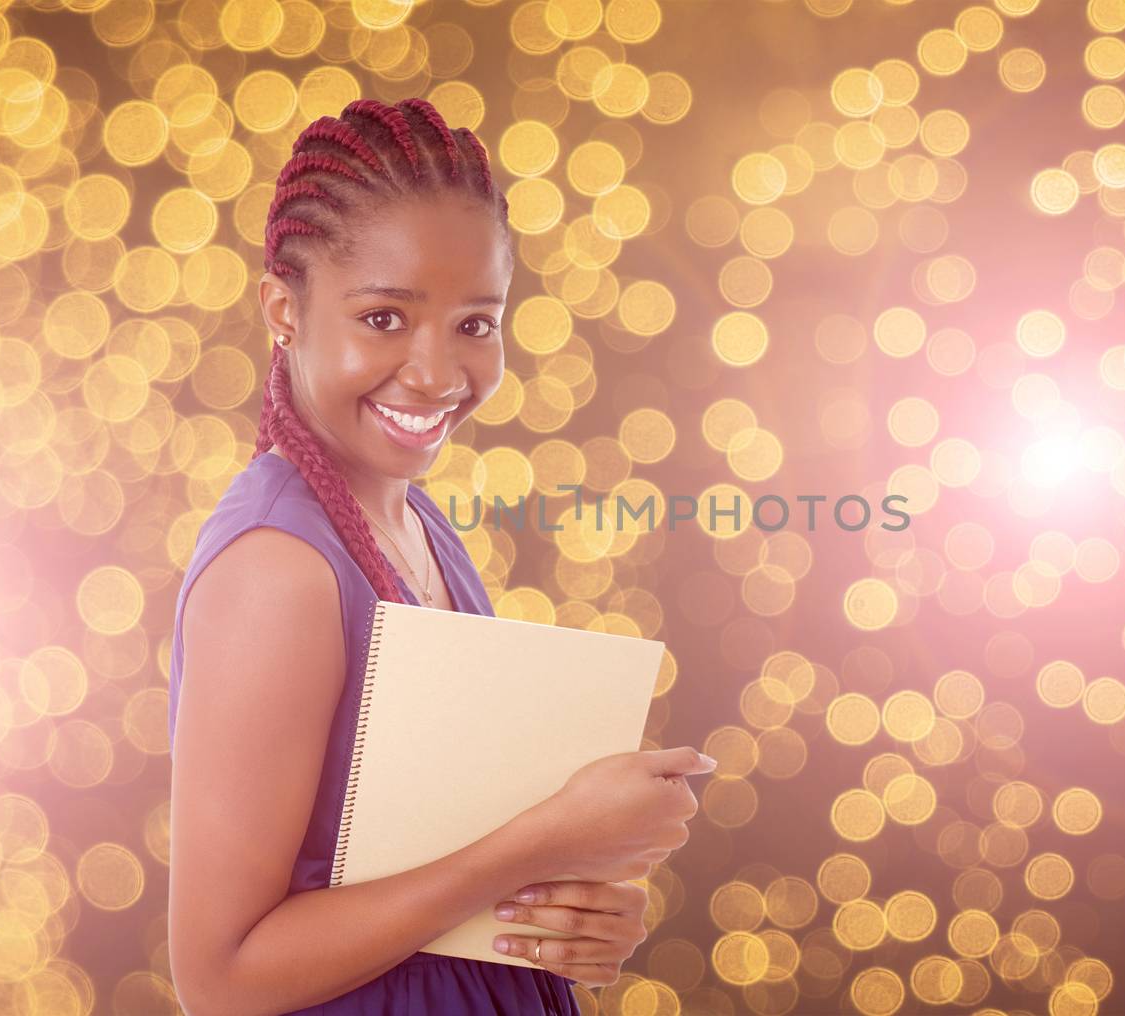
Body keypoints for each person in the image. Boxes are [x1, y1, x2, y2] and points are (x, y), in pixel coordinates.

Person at [165, 97, 716, 1016]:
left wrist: (567, 911)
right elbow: (221, 981)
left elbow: (424, 866)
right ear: (283, 310)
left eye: (475, 323)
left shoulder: (420, 526)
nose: (435, 372)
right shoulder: (278, 571)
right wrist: (541, 846)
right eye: (385, 318)